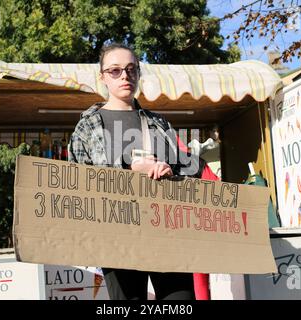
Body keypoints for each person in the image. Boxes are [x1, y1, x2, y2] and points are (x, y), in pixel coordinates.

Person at [68, 43, 202, 300]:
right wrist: (129, 167)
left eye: (131, 69)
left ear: (139, 73)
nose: (125, 76)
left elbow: (189, 171)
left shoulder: (159, 123)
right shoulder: (87, 127)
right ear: (103, 77)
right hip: (115, 236)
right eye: (115, 70)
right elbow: (79, 184)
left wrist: (170, 172)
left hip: (166, 231)